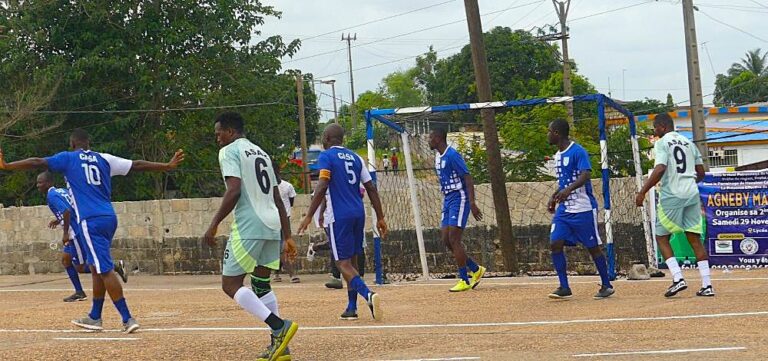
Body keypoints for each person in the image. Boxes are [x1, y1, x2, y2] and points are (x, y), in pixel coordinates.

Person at [0, 129, 184, 333]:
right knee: (96, 267)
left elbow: (37, 162)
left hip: (90, 221)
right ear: (89, 143)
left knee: (104, 269)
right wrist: (166, 165)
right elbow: (137, 165)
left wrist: (8, 166)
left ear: (72, 144)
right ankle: (95, 316)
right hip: (109, 218)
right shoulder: (104, 158)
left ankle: (127, 318)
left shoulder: (68, 159)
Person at [202, 112, 298, 361]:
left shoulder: (229, 151)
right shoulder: (261, 153)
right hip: (273, 225)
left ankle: (279, 326)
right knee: (261, 283)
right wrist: (287, 236)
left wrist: (213, 225)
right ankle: (280, 347)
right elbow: (278, 198)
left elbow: (233, 190)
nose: (217, 139)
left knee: (230, 284)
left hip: (250, 225)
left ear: (230, 132)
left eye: (219, 133)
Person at [298, 123, 388, 321]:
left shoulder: (327, 156)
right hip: (358, 212)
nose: (322, 140)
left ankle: (368, 295)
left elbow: (322, 186)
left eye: (323, 137)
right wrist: (380, 217)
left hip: (338, 215)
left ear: (328, 139)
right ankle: (351, 307)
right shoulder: (356, 158)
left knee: (341, 263)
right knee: (353, 261)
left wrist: (308, 215)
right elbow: (371, 188)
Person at [636, 113, 712, 297]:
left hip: (673, 194)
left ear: (662, 127)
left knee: (661, 237)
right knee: (694, 238)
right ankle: (707, 284)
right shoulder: (689, 143)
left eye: (655, 127)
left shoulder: (662, 143)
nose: (654, 131)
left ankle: (678, 278)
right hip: (692, 193)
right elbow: (701, 172)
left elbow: (660, 168)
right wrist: (688, 181)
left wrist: (643, 191)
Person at [545, 119, 615, 300]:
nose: (548, 134)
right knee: (555, 242)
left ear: (557, 133)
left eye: (549, 131)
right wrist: (555, 196)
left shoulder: (578, 151)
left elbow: (585, 175)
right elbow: (563, 182)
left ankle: (606, 285)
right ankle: (564, 286)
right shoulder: (557, 155)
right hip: (565, 210)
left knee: (593, 247)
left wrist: (568, 190)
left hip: (583, 209)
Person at [37, 171, 128, 303]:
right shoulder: (62, 191)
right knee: (66, 260)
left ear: (48, 183)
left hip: (75, 233)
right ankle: (79, 292)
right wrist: (58, 220)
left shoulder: (51, 195)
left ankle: (114, 266)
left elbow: (67, 211)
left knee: (80, 267)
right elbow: (71, 207)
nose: (38, 185)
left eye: (40, 182)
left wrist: (65, 233)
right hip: (76, 229)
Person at [428, 128, 485, 292]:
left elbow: (467, 176)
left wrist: (472, 203)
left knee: (454, 238)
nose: (429, 140)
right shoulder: (438, 157)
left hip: (459, 198)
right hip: (448, 198)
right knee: (446, 239)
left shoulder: (452, 155)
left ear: (438, 138)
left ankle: (464, 280)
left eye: (430, 136)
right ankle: (475, 269)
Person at [273, 161, 299, 284]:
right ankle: (281, 272)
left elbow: (291, 201)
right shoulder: (267, 188)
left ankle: (288, 273)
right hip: (272, 220)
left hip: (284, 219)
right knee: (278, 247)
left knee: (284, 247)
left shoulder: (287, 186)